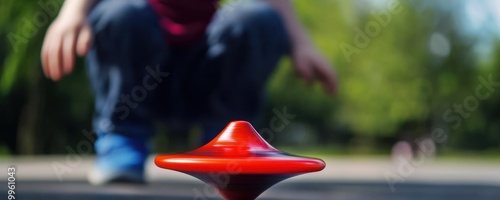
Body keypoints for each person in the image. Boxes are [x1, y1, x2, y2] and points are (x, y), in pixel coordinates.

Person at [41, 0, 337, 185]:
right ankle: (123, 141)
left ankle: (226, 145)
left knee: (257, 18)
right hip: (142, 78)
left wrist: (301, 42)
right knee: (120, 10)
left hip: (207, 77)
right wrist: (72, 13)